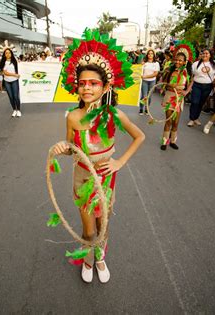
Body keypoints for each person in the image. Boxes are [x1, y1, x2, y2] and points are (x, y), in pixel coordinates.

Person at [52, 29, 145, 284]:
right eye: (82, 83)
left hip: (106, 179)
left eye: (93, 83)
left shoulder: (114, 115)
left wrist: (119, 162)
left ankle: (99, 255)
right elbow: (72, 147)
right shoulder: (72, 116)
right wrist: (63, 148)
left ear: (105, 87)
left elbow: (140, 136)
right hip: (82, 178)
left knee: (103, 223)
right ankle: (90, 257)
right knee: (89, 227)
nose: (86, 88)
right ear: (76, 86)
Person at [159, 49, 193, 150]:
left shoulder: (187, 72)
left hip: (179, 98)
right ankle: (164, 142)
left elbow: (192, 81)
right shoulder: (170, 70)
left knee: (176, 122)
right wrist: (166, 83)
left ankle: (173, 141)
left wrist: (186, 91)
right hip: (169, 96)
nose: (178, 62)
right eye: (176, 60)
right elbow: (163, 83)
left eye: (180, 60)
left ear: (184, 62)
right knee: (168, 121)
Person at [188, 48, 215, 126]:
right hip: (196, 85)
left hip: (208, 86)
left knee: (201, 103)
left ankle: (196, 118)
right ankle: (192, 119)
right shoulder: (195, 64)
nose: (204, 55)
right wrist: (189, 87)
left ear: (210, 55)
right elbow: (192, 76)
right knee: (194, 102)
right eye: (203, 53)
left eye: (207, 53)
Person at [0, 48, 21, 117]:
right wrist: (15, 75)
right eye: (6, 53)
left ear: (11, 53)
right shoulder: (3, 62)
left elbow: (21, 67)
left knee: (16, 96)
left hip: (15, 81)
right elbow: (5, 73)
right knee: (11, 97)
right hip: (7, 82)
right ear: (4, 54)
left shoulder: (15, 61)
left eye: (9, 52)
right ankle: (14, 110)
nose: (8, 54)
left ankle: (18, 110)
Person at [139, 49, 160, 115]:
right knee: (144, 96)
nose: (150, 55)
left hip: (152, 81)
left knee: (149, 96)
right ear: (147, 55)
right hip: (144, 81)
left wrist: (146, 76)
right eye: (149, 53)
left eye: (151, 53)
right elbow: (139, 70)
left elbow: (155, 73)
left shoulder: (156, 63)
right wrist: (141, 65)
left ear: (154, 55)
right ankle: (141, 109)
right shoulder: (144, 62)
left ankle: (146, 108)